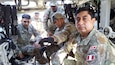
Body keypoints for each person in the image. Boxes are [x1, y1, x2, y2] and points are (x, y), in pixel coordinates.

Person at [50, 7, 115, 65]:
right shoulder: (76, 36)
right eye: (78, 19)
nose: (80, 22)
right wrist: (56, 62)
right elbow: (64, 50)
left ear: (93, 21)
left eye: (85, 19)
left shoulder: (98, 41)